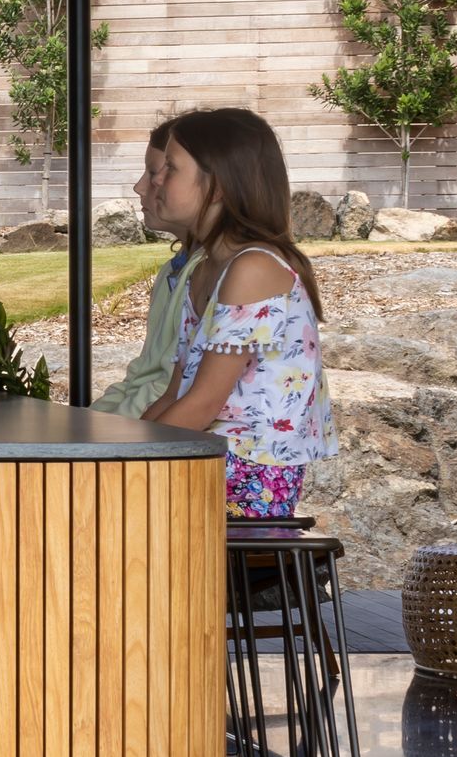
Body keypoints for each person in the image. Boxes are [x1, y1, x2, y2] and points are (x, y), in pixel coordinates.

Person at [142, 108, 336, 516]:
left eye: (170, 170)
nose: (155, 180)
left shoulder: (253, 268)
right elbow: (174, 392)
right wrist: (121, 442)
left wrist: (125, 456)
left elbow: (203, 402)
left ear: (216, 188)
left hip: (249, 475)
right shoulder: (206, 269)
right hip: (212, 455)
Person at [93, 118, 192, 416]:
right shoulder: (172, 272)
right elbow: (142, 377)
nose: (141, 187)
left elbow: (170, 387)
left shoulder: (215, 275)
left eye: (158, 172)